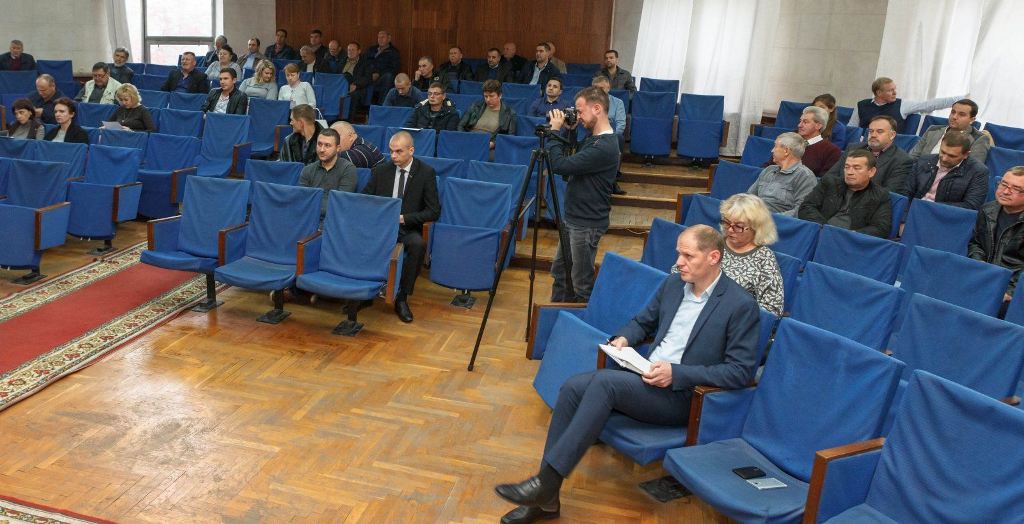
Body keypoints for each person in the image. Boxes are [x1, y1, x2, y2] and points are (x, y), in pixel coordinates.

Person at [494, 225, 760, 524]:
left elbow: (739, 372)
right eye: (678, 254)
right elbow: (642, 322)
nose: (679, 262)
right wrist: (624, 338)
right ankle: (546, 499)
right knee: (572, 387)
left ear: (713, 257)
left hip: (682, 395)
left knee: (605, 384)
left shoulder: (740, 305)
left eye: (688, 256)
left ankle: (546, 483)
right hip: (645, 376)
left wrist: (677, 373)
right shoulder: (674, 284)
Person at [545, 86, 618, 303]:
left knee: (580, 283)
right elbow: (573, 160)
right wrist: (570, 131)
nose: (577, 116)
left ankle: (579, 321)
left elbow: (560, 165)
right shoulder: (593, 139)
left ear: (597, 109)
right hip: (574, 219)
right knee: (560, 273)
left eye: (580, 111)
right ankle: (557, 315)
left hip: (586, 223)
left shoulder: (605, 146)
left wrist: (554, 132)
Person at [362, 131, 441, 323]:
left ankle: (402, 297)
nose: (393, 156)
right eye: (391, 151)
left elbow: (433, 211)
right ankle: (363, 291)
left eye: (399, 151)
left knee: (418, 245)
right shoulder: (381, 171)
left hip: (406, 227)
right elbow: (365, 200)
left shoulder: (426, 173)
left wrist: (404, 219)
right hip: (380, 226)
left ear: (411, 150)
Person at [799, 149, 892, 238]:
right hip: (818, 232)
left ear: (871, 172)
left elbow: (881, 228)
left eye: (856, 168)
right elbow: (806, 207)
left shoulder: (880, 195)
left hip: (849, 241)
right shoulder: (829, 183)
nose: (849, 172)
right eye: (847, 167)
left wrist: (851, 235)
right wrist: (825, 228)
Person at [716, 194, 784, 316]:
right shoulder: (713, 243)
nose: (730, 230)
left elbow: (772, 309)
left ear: (756, 228)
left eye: (738, 226)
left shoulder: (764, 259)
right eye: (727, 223)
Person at [968, 167, 1024, 311]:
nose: (1005, 191)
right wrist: (978, 263)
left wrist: (1011, 291)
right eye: (1003, 184)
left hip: (1015, 287)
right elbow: (976, 243)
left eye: (1016, 189)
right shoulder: (987, 210)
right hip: (983, 277)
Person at [823, 115, 912, 194]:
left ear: (892, 135)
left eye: (879, 131)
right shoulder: (853, 148)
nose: (873, 135)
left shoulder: (901, 160)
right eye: (871, 131)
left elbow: (888, 193)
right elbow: (830, 177)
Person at [904, 131, 988, 209]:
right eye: (943, 152)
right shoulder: (924, 161)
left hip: (945, 215)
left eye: (952, 156)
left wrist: (931, 207)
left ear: (966, 154)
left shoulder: (978, 172)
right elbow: (906, 192)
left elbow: (971, 206)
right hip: (915, 209)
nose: (944, 159)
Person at [849, 76, 967, 132]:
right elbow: (851, 128)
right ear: (879, 93)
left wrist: (960, 99)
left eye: (895, 89)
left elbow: (929, 105)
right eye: (890, 90)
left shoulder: (902, 105)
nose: (895, 93)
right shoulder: (861, 105)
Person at [748, 132, 817, 216]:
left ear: (786, 151)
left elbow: (801, 211)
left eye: (775, 146)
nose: (772, 150)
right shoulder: (768, 170)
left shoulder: (805, 176)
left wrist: (770, 218)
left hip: (776, 221)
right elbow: (749, 197)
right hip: (753, 216)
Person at [909, 98, 991, 164]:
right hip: (920, 172)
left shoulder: (978, 139)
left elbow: (973, 169)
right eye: (953, 112)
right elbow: (913, 156)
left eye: (961, 114)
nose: (954, 117)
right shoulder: (933, 129)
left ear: (972, 120)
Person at [299, 128, 358, 217]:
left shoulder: (348, 169)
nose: (322, 149)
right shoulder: (307, 170)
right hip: (309, 217)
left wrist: (313, 206)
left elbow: (341, 202)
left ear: (338, 148)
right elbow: (302, 200)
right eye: (319, 144)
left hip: (334, 219)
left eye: (327, 145)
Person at [590, 75, 627, 195]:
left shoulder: (618, 103)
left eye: (601, 88)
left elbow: (621, 124)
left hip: (611, 134)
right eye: (595, 88)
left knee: (619, 138)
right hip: (592, 133)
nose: (598, 91)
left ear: (608, 88)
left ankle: (613, 180)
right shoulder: (588, 102)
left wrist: (609, 137)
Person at [458, 79, 517, 149]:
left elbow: (510, 137)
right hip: (469, 140)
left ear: (500, 95)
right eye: (486, 96)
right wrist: (465, 138)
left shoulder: (510, 113)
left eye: (491, 96)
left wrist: (493, 144)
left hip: (489, 145)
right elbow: (460, 125)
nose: (488, 99)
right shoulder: (476, 106)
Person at [788, 106, 841, 177]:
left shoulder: (831, 151)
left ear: (818, 126)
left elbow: (825, 179)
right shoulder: (790, 141)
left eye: (805, 122)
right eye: (800, 121)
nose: (799, 125)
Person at [364, 30, 401, 104]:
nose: (380, 39)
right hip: (368, 76)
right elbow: (364, 63)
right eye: (379, 37)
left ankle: (382, 105)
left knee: (389, 76)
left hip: (381, 78)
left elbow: (394, 69)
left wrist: (378, 74)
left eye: (383, 37)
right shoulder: (371, 49)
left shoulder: (394, 52)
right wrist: (370, 73)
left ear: (389, 39)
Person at [342, 42, 372, 113]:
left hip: (357, 88)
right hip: (341, 86)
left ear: (359, 51)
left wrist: (356, 85)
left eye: (353, 50)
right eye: (349, 50)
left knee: (353, 95)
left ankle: (349, 119)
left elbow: (368, 78)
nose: (350, 52)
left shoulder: (365, 63)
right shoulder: (342, 61)